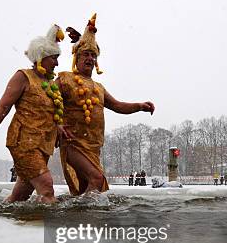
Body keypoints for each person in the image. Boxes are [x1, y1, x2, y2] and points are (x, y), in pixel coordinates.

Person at [56, 13, 154, 195]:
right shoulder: (64, 79)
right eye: (85, 54)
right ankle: (89, 211)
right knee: (97, 179)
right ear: (76, 58)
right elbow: (49, 103)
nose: (90, 58)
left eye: (93, 55)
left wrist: (140, 106)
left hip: (93, 146)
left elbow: (118, 106)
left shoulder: (98, 88)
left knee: (87, 187)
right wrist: (58, 124)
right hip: (73, 143)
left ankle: (80, 215)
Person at [0, 25, 65, 203]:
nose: (57, 63)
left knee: (20, 196)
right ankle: (51, 226)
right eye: (54, 58)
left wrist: (58, 127)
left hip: (43, 145)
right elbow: (3, 107)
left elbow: (49, 111)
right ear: (41, 57)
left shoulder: (50, 84)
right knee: (46, 188)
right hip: (24, 142)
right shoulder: (23, 77)